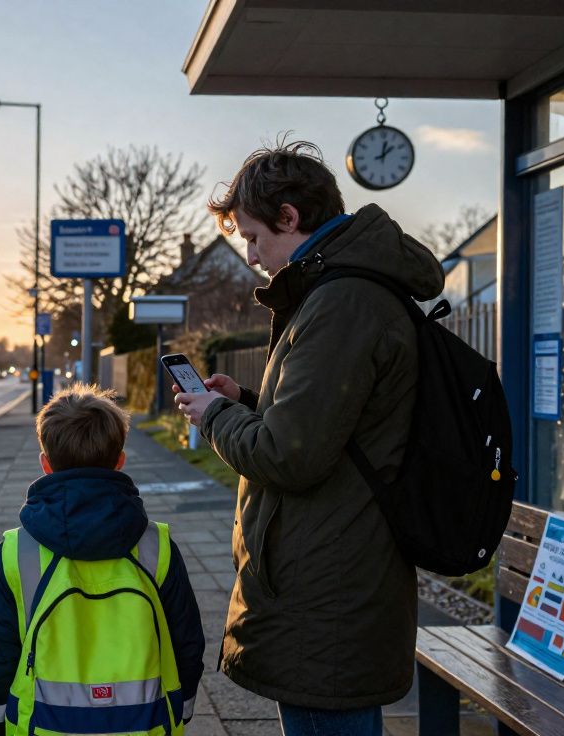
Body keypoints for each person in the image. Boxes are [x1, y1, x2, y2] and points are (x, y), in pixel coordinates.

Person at [172, 140, 444, 735]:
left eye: (253, 237)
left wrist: (214, 416)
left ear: (289, 217)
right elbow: (332, 425)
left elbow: (288, 455)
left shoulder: (342, 303)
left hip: (329, 590)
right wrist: (244, 403)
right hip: (332, 571)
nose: (250, 256)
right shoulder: (342, 293)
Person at [0, 384, 205, 735]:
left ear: (45, 465)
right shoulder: (157, 546)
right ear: (120, 461)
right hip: (147, 723)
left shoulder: (17, 552)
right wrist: (181, 709)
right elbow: (186, 641)